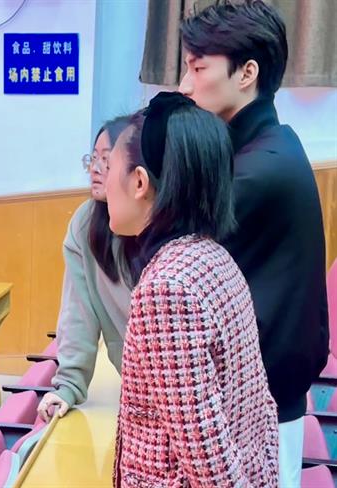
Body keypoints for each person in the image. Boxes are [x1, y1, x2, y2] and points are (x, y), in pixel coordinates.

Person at [179, 2, 328, 484]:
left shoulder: (256, 172)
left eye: (198, 68)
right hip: (262, 402)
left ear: (247, 73)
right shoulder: (266, 147)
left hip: (256, 415)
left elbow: (168, 265)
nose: (185, 86)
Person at [108, 92, 278, 487]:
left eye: (108, 166)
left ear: (139, 182)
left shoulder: (166, 290)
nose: (100, 183)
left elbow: (211, 465)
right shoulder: (214, 258)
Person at [37, 116, 132, 422]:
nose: (95, 169)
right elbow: (77, 313)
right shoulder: (85, 224)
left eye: (107, 160)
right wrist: (68, 386)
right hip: (136, 384)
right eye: (93, 158)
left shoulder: (160, 226)